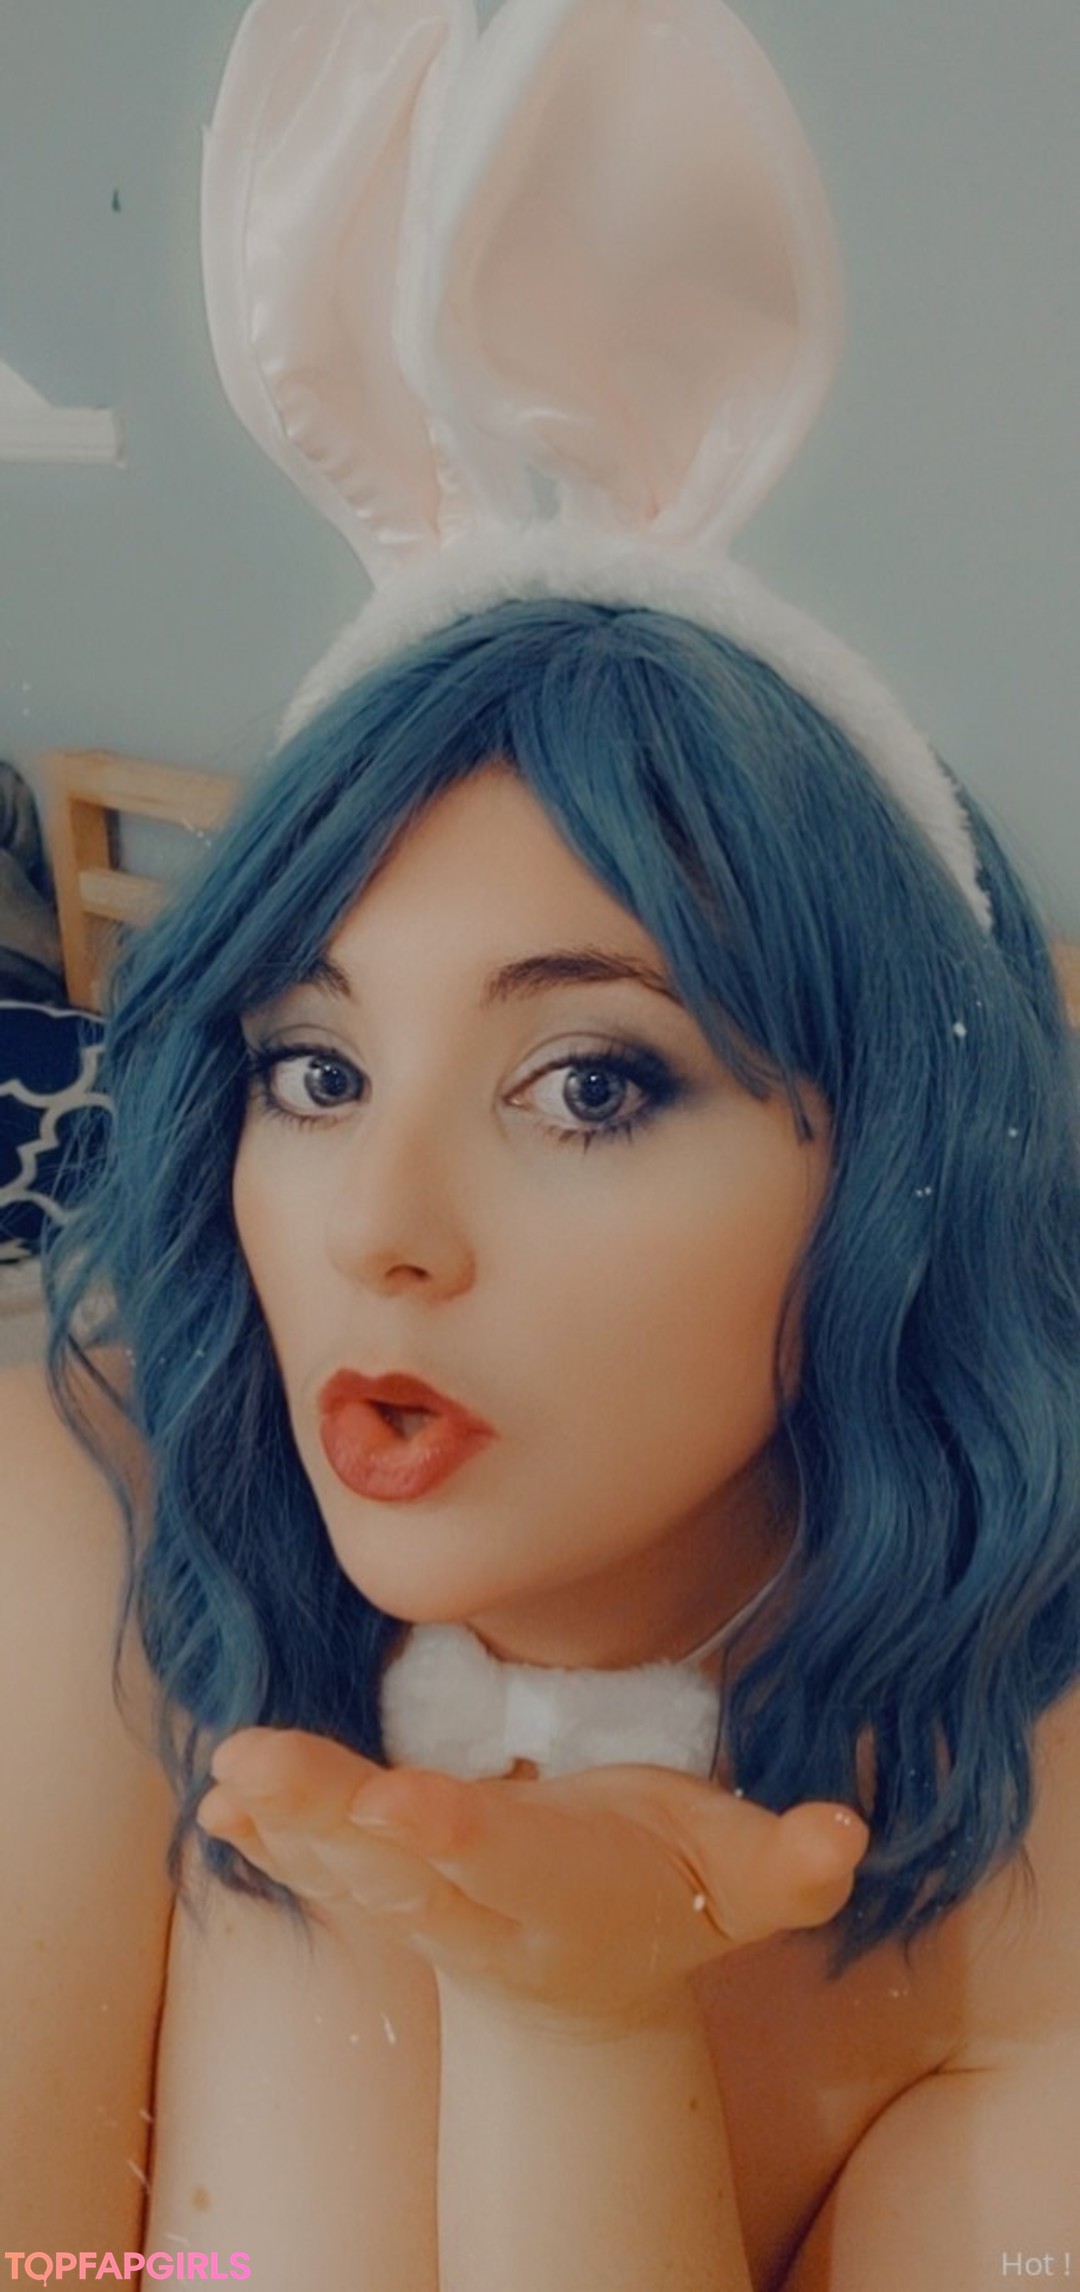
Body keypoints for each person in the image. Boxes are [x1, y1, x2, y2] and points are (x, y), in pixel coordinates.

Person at [3, 1, 1078, 2283]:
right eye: (313, 1072)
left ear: (894, 1170)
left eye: (589, 1084)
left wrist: (578, 2028)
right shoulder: (87, 1513)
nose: (375, 1235)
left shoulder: (1029, 1854)